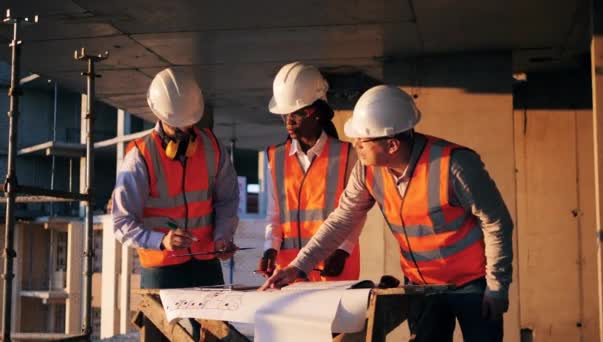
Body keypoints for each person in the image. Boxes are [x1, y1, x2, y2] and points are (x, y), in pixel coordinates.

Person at [262, 85, 513, 341]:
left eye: (363, 140)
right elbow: (342, 219)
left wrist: (497, 287)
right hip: (421, 286)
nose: (356, 146)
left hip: (473, 285)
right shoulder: (367, 169)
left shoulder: (455, 165)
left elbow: (497, 223)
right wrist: (298, 267)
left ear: (392, 144)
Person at [112, 68, 239, 339]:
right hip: (162, 270)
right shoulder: (140, 156)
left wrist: (222, 237)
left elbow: (227, 200)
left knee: (218, 336)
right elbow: (121, 224)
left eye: (189, 124)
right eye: (177, 125)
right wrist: (161, 240)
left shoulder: (212, 147)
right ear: (159, 115)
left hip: (206, 263)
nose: (185, 131)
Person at [258, 62, 363, 281]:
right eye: (284, 114)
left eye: (296, 114)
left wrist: (343, 250)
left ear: (316, 113)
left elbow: (356, 212)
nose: (288, 121)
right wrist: (270, 248)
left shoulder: (347, 155)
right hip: (289, 271)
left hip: (333, 267)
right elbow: (274, 215)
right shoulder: (275, 158)